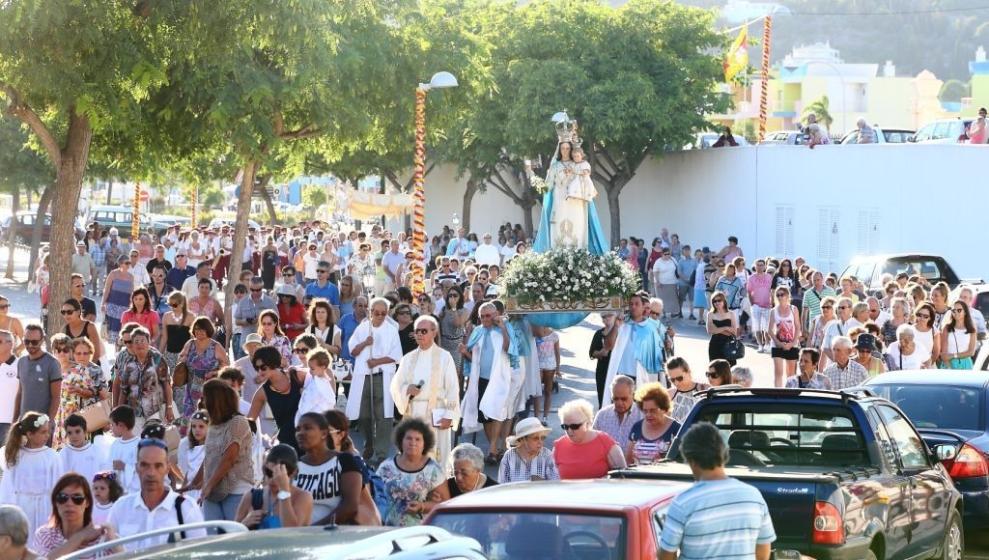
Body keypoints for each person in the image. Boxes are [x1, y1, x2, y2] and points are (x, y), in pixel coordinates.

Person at [659, 422, 775, 560]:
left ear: (691, 460)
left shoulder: (682, 503)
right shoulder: (754, 496)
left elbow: (666, 556)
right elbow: (763, 551)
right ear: (724, 454)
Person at [106, 438, 207, 551]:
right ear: (136, 468)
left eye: (158, 466)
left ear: (167, 468)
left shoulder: (186, 508)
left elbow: (200, 552)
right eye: (145, 465)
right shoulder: (121, 508)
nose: (151, 473)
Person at [390, 316, 461, 468]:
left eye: (424, 331)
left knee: (436, 458)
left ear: (434, 333)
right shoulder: (408, 358)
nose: (420, 334)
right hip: (413, 413)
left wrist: (449, 415)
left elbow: (453, 388)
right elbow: (395, 385)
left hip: (437, 414)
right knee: (413, 456)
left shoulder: (444, 357)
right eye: (417, 331)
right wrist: (406, 390)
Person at [190, 379, 255, 525]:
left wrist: (208, 486)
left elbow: (229, 458)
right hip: (213, 491)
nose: (201, 401)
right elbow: (209, 457)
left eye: (204, 397)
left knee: (235, 537)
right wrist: (194, 483)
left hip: (236, 489)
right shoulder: (213, 424)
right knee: (213, 538)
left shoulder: (238, 422)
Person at [347, 297, 402, 466]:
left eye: (383, 313)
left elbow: (396, 356)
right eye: (376, 313)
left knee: (383, 416)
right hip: (363, 376)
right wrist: (365, 343)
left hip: (382, 376)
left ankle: (381, 453)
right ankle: (369, 444)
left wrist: (377, 362)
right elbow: (352, 351)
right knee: (364, 415)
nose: (379, 316)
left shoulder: (392, 331)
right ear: (370, 312)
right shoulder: (363, 328)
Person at [460, 301, 518, 464]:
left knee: (498, 410)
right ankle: (496, 448)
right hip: (481, 378)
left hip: (499, 378)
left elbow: (509, 349)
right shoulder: (477, 331)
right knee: (484, 415)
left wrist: (503, 328)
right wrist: (465, 352)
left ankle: (492, 448)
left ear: (495, 315)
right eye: (482, 316)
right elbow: (474, 359)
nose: (485, 319)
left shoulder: (505, 328)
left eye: (488, 315)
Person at [0, 412, 61, 548]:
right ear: (30, 434)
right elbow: (8, 487)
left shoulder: (52, 456)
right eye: (43, 432)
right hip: (22, 508)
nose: (48, 435)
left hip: (45, 509)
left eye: (48, 431)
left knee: (43, 545)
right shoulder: (16, 456)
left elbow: (59, 485)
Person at [376, 418, 449, 527]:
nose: (413, 443)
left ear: (425, 443)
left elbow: (445, 505)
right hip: (386, 529)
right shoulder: (386, 467)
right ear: (401, 441)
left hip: (419, 532)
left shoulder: (434, 470)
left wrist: (423, 506)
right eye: (408, 438)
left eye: (418, 439)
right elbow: (373, 494)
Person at [293, 412, 361, 525]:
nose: (300, 433)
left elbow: (350, 506)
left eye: (307, 428)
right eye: (298, 429)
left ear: (324, 433)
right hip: (299, 534)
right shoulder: (295, 466)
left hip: (333, 534)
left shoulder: (344, 461)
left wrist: (315, 529)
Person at [33, 472, 118, 558]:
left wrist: (114, 541)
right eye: (63, 497)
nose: (69, 503)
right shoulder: (45, 535)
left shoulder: (102, 539)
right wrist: (80, 537)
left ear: (87, 503)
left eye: (77, 498)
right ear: (56, 502)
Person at [602, 292, 666, 405]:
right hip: (621, 376)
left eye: (637, 304)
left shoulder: (651, 328)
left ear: (643, 307)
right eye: (631, 304)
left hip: (642, 378)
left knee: (640, 413)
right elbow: (607, 346)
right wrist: (616, 326)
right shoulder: (620, 324)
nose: (633, 306)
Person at [236, 444, 313, 529]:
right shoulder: (251, 497)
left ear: (293, 473)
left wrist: (284, 490)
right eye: (269, 473)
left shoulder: (302, 497)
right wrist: (243, 525)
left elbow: (292, 533)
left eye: (279, 475)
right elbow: (232, 535)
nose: (273, 479)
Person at [111, 327, 174, 430]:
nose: (139, 344)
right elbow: (124, 390)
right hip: (134, 412)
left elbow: (167, 385)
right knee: (136, 443)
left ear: (149, 342)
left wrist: (169, 407)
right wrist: (119, 411)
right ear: (133, 345)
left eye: (142, 340)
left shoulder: (158, 359)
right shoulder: (129, 363)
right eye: (136, 341)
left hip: (155, 411)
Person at [53, 338, 107, 449]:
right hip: (59, 417)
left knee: (79, 449)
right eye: (58, 350)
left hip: (80, 416)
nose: (62, 353)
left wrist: (79, 390)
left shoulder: (82, 370)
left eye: (65, 350)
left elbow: (96, 393)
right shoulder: (52, 369)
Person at [249, 346, 306, 451]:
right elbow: (250, 421)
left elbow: (323, 381)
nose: (260, 372)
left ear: (273, 363)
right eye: (257, 368)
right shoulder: (262, 392)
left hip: (307, 437)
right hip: (287, 444)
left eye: (263, 367)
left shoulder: (297, 376)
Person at [553, 399, 626, 479]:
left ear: (587, 424)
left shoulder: (605, 442)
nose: (569, 431)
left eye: (575, 426)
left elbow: (622, 474)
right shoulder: (559, 446)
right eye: (565, 427)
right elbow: (553, 479)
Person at [13, 324, 61, 428]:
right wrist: (14, 421)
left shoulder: (52, 363)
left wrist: (48, 422)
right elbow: (20, 393)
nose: (30, 345)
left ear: (42, 340)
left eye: (34, 342)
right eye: (26, 341)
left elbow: (56, 397)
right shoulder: (21, 362)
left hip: (42, 424)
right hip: (23, 423)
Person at [625, 382, 680, 466]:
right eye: (645, 411)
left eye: (653, 410)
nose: (648, 415)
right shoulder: (637, 427)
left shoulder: (676, 429)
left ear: (664, 408)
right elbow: (628, 460)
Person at [498, 417, 559, 483]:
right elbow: (502, 485)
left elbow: (555, 485)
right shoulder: (509, 456)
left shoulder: (547, 455)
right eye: (535, 438)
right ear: (522, 439)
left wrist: (542, 482)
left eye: (542, 438)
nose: (540, 442)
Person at [591, 374, 643, 451]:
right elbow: (592, 443)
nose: (619, 403)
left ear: (633, 395)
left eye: (624, 399)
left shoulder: (642, 415)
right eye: (615, 399)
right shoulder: (602, 415)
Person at [59, 414, 109, 482]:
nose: (74, 436)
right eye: (70, 433)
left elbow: (105, 475)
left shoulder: (97, 451)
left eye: (77, 431)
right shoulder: (63, 453)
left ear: (85, 431)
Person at [768, 287, 801, 387]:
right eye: (777, 295)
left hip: (792, 343)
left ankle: (790, 396)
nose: (780, 297)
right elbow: (770, 330)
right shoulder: (773, 311)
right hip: (777, 344)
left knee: (791, 374)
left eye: (782, 294)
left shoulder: (793, 309)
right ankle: (777, 395)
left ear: (787, 296)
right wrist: (778, 343)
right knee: (778, 373)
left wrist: (793, 343)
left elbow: (798, 326)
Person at [102, 255, 134, 345]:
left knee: (123, 329)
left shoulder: (131, 277)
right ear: (120, 264)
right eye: (126, 263)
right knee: (114, 330)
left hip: (125, 307)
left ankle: (119, 348)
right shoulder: (113, 274)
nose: (128, 265)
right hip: (113, 306)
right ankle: (116, 350)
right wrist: (103, 304)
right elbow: (107, 289)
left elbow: (132, 294)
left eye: (129, 263)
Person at [177, 410, 208, 503]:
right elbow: (189, 472)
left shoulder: (210, 449)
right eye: (194, 426)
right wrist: (182, 490)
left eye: (201, 426)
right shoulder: (191, 448)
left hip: (202, 490)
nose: (197, 430)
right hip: (190, 491)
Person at [667, 357, 710, 424]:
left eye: (679, 378)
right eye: (672, 380)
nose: (676, 383)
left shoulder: (704, 389)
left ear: (689, 372)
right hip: (677, 434)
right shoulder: (669, 395)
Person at [60, 298, 102, 364]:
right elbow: (63, 353)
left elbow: (96, 352)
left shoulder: (89, 327)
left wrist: (87, 369)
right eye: (63, 312)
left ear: (78, 312)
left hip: (90, 367)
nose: (66, 315)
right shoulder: (64, 329)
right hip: (73, 369)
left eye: (69, 312)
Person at [438, 286, 468, 376]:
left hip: (456, 347)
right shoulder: (444, 310)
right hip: (444, 344)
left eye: (455, 295)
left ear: (460, 297)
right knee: (443, 373)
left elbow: (457, 324)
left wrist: (454, 308)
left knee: (455, 373)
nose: (452, 298)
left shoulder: (464, 311)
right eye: (450, 295)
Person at [589, 312, 617, 407]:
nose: (606, 319)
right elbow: (592, 353)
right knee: (603, 397)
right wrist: (601, 352)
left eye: (609, 315)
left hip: (617, 371)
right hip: (602, 370)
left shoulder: (621, 333)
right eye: (604, 317)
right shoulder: (598, 334)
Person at [533, 325, 560, 424]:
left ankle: (545, 417)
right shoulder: (535, 334)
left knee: (548, 391)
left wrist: (558, 368)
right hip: (538, 365)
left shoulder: (554, 335)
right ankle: (536, 418)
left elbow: (557, 352)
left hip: (550, 365)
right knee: (537, 392)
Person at [941, 300, 977, 369]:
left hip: (965, 364)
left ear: (965, 312)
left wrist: (953, 356)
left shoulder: (972, 329)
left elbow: (971, 352)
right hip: (948, 363)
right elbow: (944, 354)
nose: (956, 312)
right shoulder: (947, 328)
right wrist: (949, 368)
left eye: (959, 310)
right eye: (954, 310)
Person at [706, 291, 739, 366]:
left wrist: (717, 329)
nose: (717, 303)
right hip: (715, 344)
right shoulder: (710, 314)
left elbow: (734, 332)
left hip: (729, 345)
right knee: (715, 367)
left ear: (724, 301)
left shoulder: (731, 314)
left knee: (730, 367)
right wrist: (726, 328)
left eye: (719, 300)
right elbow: (710, 330)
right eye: (714, 301)